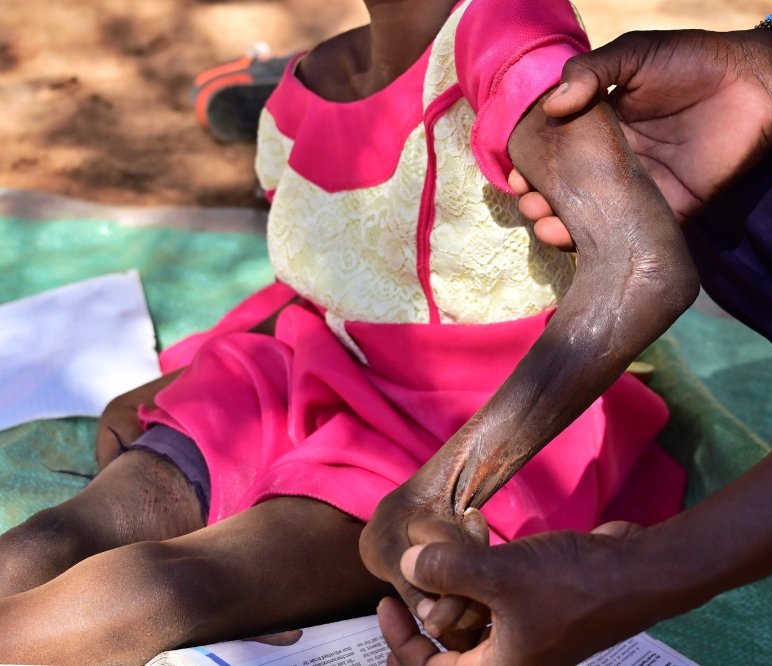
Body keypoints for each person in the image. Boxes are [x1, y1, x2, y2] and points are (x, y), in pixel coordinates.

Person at [0, 0, 699, 663]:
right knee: (60, 533)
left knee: (171, 587)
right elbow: (335, 280)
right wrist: (187, 374)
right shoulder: (313, 82)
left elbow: (644, 267)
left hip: (465, 425)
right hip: (299, 370)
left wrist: (444, 491)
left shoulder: (505, 37)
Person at [366, 1, 772, 664]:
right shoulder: (312, 84)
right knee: (747, 176)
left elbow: (641, 268)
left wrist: (643, 571)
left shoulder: (495, 28)